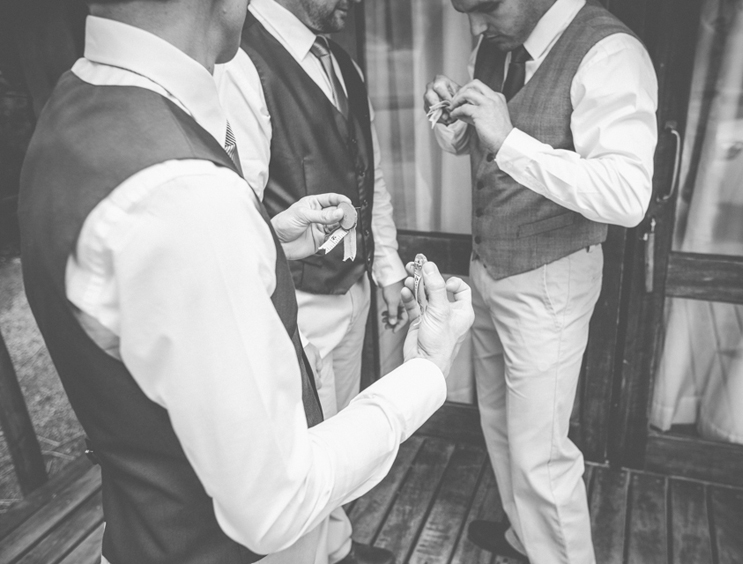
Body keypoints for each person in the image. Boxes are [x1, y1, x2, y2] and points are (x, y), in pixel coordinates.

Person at [17, 0, 474, 563]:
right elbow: (277, 503)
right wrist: (425, 368)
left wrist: (262, 240)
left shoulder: (79, 102)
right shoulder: (188, 195)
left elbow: (142, 290)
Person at [424, 0, 658, 562]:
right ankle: (526, 540)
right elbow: (491, 151)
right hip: (487, 266)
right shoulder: (496, 45)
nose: (475, 27)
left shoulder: (610, 52)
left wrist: (508, 139)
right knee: (499, 424)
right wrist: (456, 128)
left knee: (542, 456)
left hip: (551, 278)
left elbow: (627, 195)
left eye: (484, 9)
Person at [217, 1, 408, 561]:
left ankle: (337, 547)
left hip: (354, 290)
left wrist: (387, 267)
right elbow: (239, 203)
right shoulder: (240, 61)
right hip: (296, 303)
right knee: (299, 454)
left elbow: (370, 175)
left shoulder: (343, 64)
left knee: (340, 430)